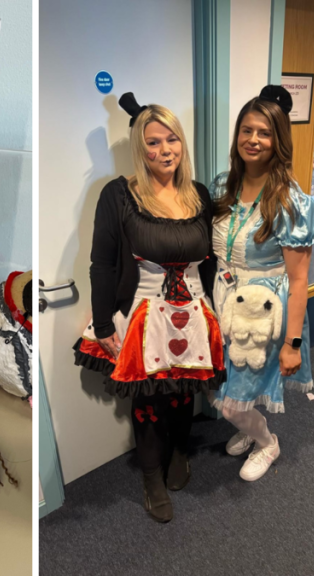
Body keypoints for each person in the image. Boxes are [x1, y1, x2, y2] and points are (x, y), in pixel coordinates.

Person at [73, 93, 224, 522]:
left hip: (193, 310)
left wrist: (218, 314)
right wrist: (104, 323)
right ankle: (151, 475)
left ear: (182, 144)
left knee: (181, 393)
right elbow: (101, 263)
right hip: (142, 312)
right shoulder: (119, 195)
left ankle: (180, 451)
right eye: (153, 142)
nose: (164, 151)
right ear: (140, 148)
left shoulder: (198, 194)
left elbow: (209, 261)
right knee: (148, 399)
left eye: (171, 140)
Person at [209, 85, 314, 482]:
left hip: (262, 308)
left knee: (232, 403)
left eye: (264, 133)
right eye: (246, 130)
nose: (253, 140)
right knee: (225, 387)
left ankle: (267, 442)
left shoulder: (291, 201)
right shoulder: (224, 184)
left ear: (278, 141)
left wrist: (292, 345)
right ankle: (249, 426)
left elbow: (299, 279)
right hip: (222, 298)